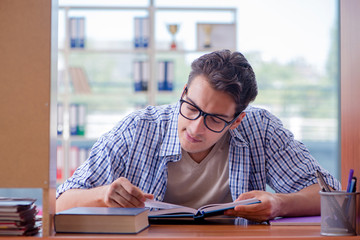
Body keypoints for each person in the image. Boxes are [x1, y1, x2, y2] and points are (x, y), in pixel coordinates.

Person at [56, 49, 340, 222]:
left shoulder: (261, 129)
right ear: (183, 93)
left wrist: (280, 204)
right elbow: (60, 203)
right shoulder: (137, 129)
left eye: (215, 119)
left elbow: (333, 195)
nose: (195, 128)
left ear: (237, 120)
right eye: (191, 107)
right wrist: (103, 196)